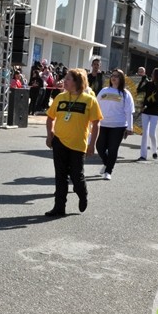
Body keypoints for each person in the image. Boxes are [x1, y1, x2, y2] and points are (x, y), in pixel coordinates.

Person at [44, 69, 103, 216]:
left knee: (77, 176)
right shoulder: (60, 97)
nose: (64, 81)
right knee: (60, 176)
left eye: (68, 79)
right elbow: (50, 118)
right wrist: (49, 135)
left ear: (77, 82)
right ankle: (59, 207)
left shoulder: (89, 100)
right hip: (59, 142)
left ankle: (82, 193)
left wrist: (92, 144)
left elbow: (96, 123)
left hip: (78, 144)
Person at [96, 69, 134, 180]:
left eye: (117, 76)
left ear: (121, 79)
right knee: (99, 147)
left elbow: (129, 112)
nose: (114, 78)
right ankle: (107, 163)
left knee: (113, 149)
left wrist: (130, 127)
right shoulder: (104, 91)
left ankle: (108, 171)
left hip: (118, 125)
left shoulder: (125, 94)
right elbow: (96, 106)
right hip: (103, 124)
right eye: (113, 75)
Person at [137, 68, 158, 161]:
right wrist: (142, 80)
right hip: (146, 112)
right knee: (144, 133)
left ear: (157, 75)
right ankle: (143, 155)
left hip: (155, 112)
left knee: (152, 133)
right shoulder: (149, 84)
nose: (152, 75)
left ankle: (154, 150)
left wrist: (146, 105)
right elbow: (139, 90)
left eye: (153, 73)